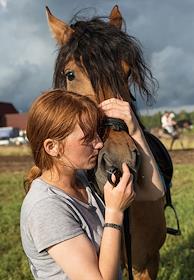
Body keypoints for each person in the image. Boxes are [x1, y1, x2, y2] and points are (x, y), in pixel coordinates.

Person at [20, 89, 135, 280]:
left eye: (97, 134)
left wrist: (136, 129)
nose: (99, 144)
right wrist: (114, 213)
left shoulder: (83, 179)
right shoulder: (46, 208)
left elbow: (153, 192)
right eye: (87, 138)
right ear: (52, 147)